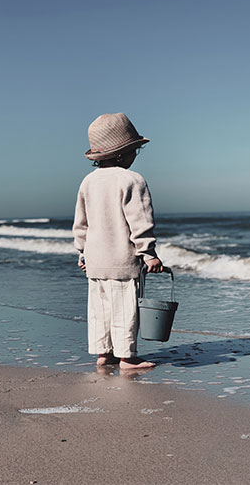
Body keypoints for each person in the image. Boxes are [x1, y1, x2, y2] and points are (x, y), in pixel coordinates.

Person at [72, 113, 166, 370]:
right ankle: (127, 357)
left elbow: (82, 223)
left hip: (95, 260)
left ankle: (104, 354)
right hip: (122, 260)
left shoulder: (88, 182)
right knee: (125, 308)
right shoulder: (132, 180)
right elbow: (140, 221)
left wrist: (82, 254)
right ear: (124, 154)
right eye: (135, 150)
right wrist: (149, 253)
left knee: (99, 309)